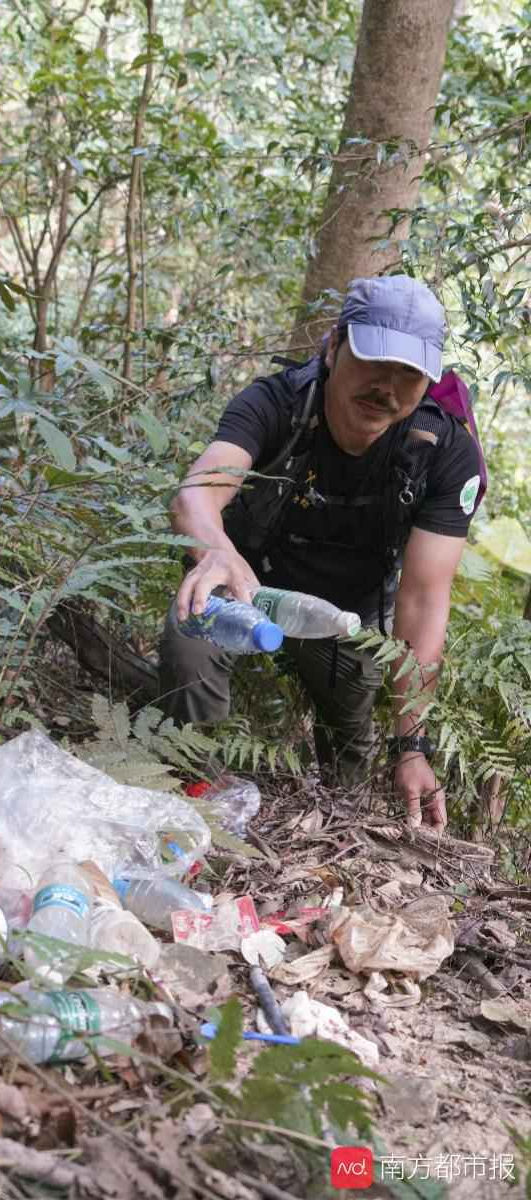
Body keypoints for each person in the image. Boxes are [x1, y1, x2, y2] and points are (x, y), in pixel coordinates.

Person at [159, 275, 483, 830]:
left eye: (409, 374)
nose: (386, 386)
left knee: (349, 756)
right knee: (189, 639)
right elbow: (196, 495)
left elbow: (425, 600)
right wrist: (215, 553)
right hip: (249, 590)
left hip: (346, 621)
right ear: (334, 347)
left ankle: (336, 825)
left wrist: (412, 745)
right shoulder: (277, 403)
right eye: (372, 361)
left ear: (428, 381)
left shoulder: (444, 454)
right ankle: (189, 793)